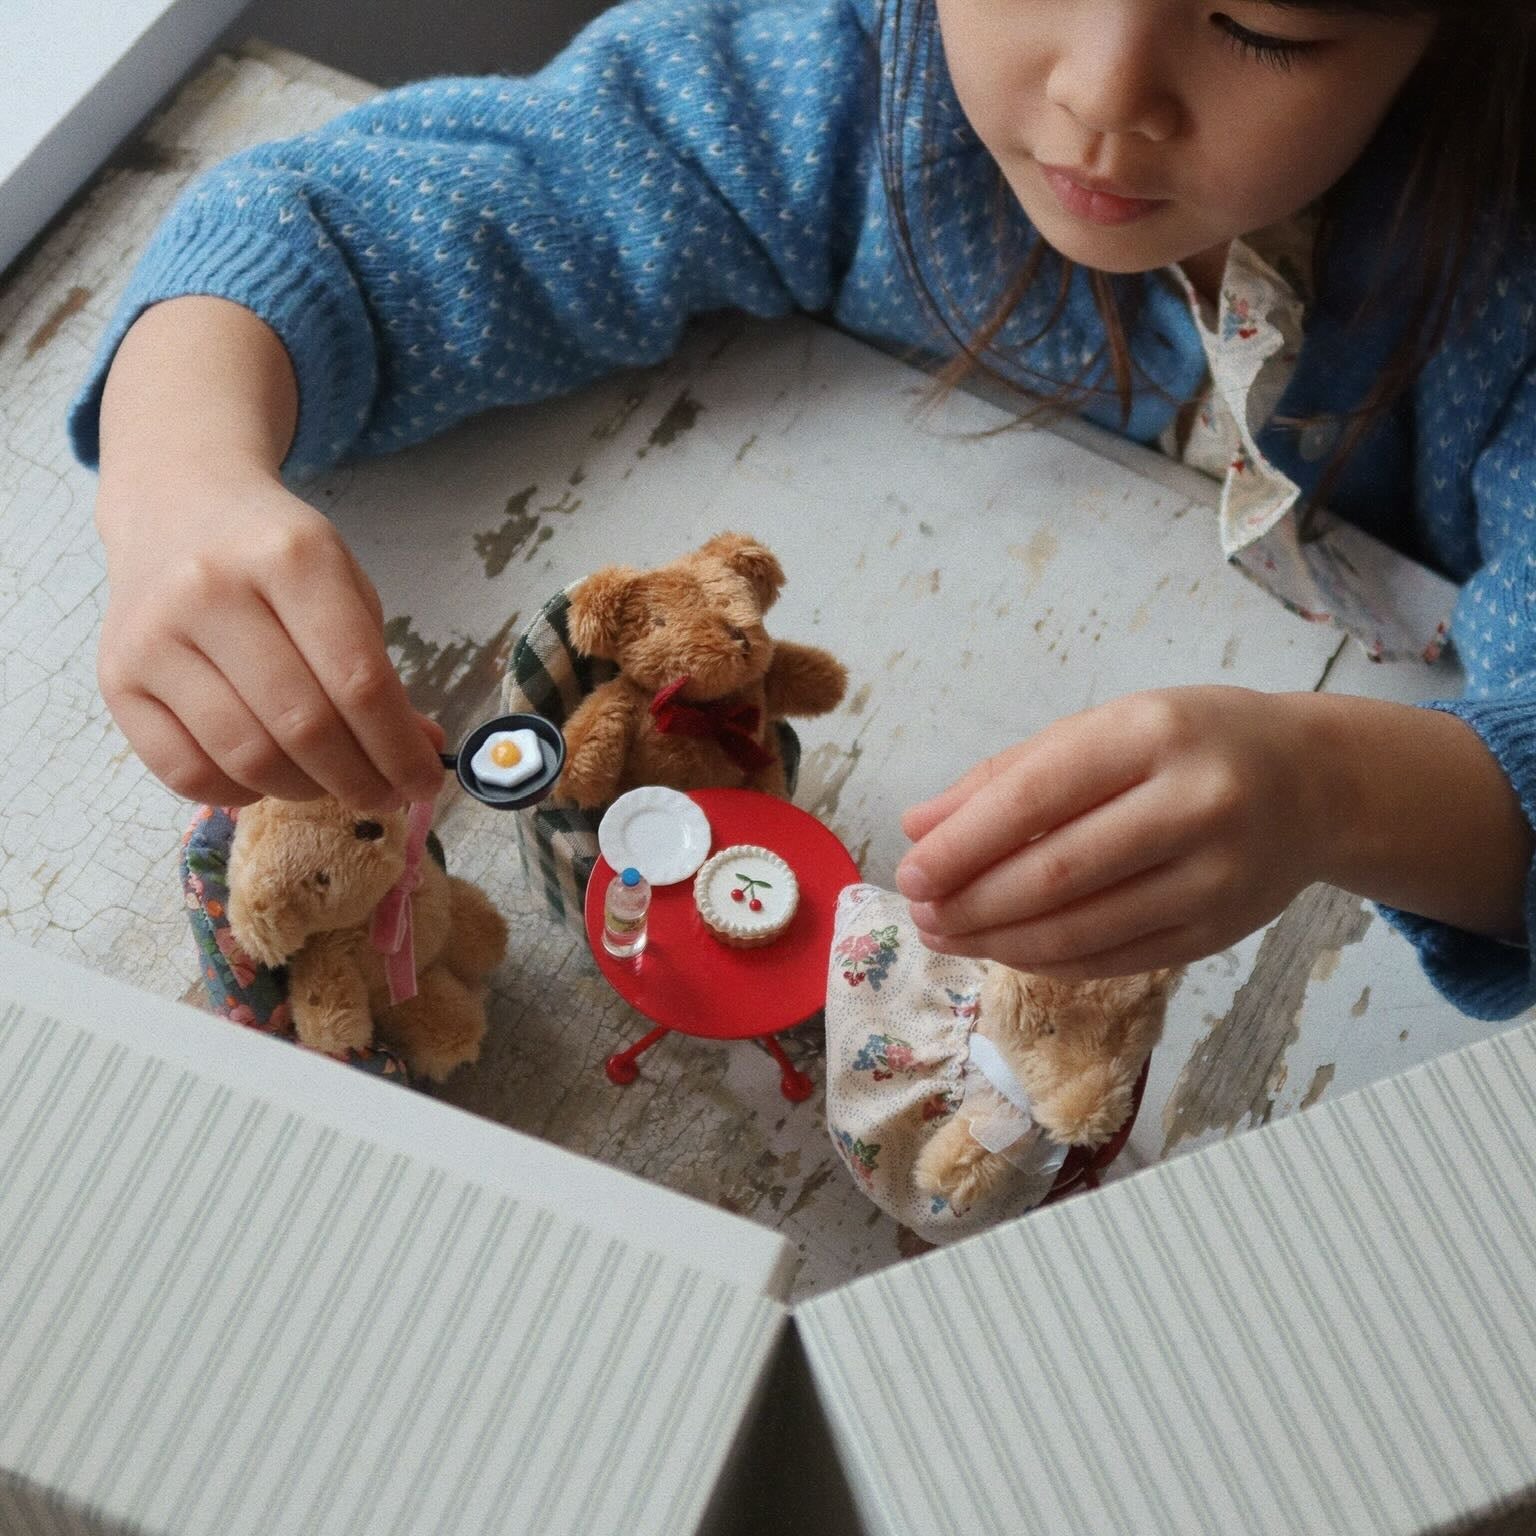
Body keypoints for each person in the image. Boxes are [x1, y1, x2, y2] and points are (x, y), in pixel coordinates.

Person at [70, 0, 1536, 1020]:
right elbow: (327, 228)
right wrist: (178, 472)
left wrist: (1339, 792)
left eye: (1265, 26)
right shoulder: (842, 91)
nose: (1102, 92)